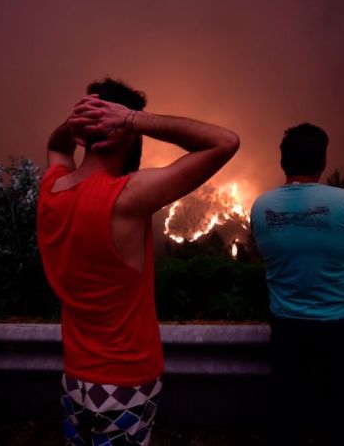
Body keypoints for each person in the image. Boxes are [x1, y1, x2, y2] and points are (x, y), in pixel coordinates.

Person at [37, 78, 239, 445]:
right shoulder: (126, 197)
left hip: (74, 377)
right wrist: (131, 119)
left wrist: (79, 121)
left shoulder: (52, 189)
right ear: (124, 132)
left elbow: (56, 145)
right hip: (125, 379)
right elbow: (225, 141)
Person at [249, 123, 344, 446]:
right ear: (323, 162)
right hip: (341, 325)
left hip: (287, 327)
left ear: (282, 162)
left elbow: (260, 253)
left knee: (292, 413)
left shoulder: (261, 206)